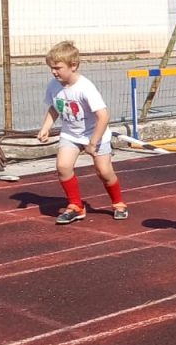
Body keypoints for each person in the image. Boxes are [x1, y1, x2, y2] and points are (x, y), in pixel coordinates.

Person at [36, 40, 127, 225]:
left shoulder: (85, 87)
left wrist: (93, 142)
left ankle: (118, 203)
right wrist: (45, 127)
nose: (54, 72)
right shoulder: (53, 85)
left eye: (58, 68)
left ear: (73, 66)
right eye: (51, 68)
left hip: (96, 134)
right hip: (71, 134)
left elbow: (103, 116)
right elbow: (54, 107)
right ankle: (76, 206)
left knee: (104, 172)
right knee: (63, 167)